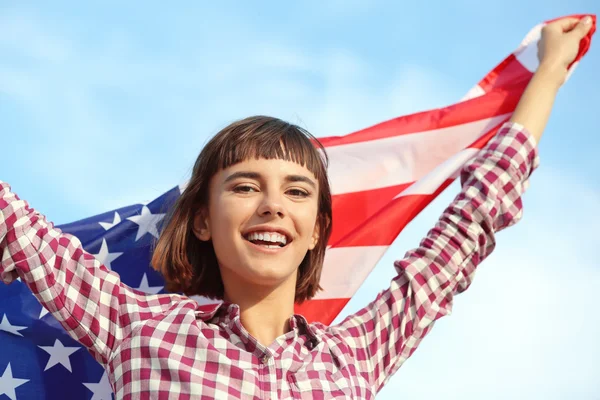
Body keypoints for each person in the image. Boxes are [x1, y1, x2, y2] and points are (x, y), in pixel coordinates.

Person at [0, 16, 593, 400]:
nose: (272, 207)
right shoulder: (138, 326)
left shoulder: (357, 351)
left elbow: (472, 223)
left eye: (297, 191)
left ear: (317, 232)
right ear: (202, 219)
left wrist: (547, 76)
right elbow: (15, 222)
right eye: (244, 186)